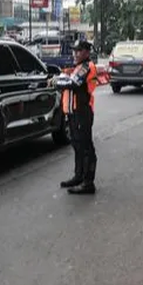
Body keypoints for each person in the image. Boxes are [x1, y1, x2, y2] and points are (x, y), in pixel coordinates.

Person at [50, 40, 98, 195]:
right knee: (77, 145)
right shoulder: (77, 67)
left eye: (79, 51)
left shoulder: (87, 67)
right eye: (74, 51)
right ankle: (79, 176)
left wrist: (56, 81)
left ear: (86, 52)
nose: (75, 54)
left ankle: (88, 182)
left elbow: (73, 83)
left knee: (85, 147)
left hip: (82, 112)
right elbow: (68, 77)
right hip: (73, 113)